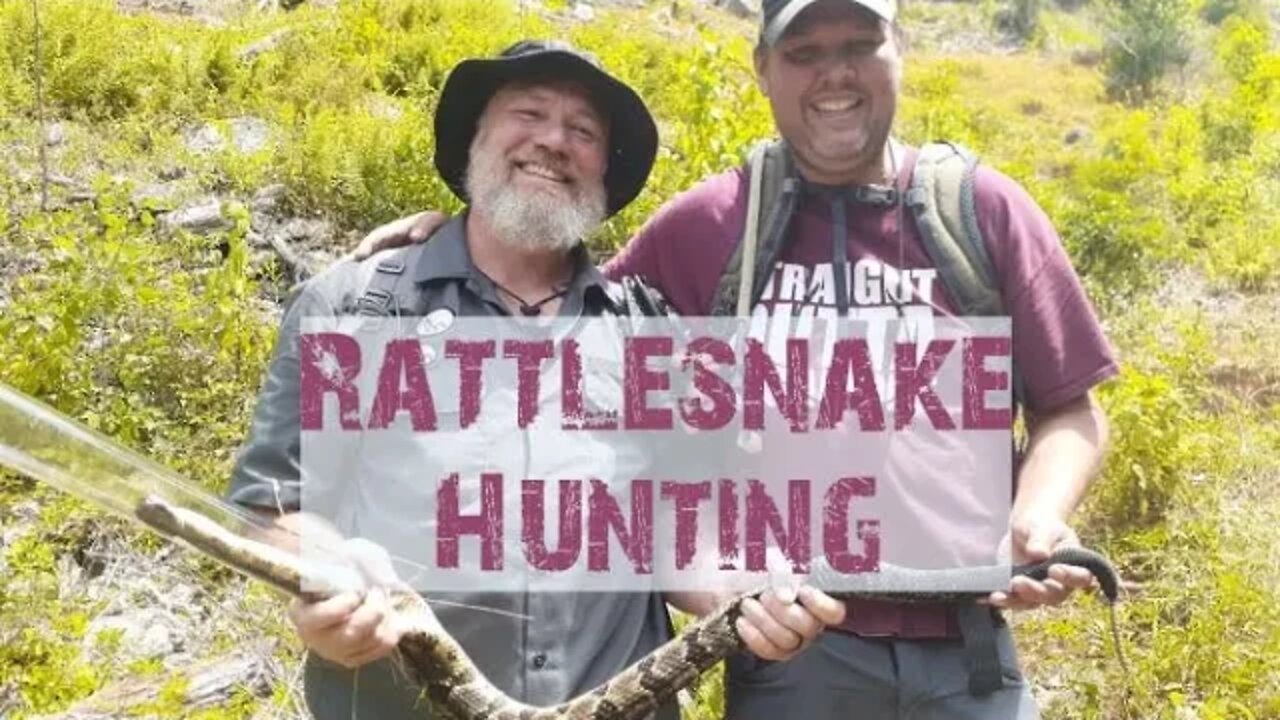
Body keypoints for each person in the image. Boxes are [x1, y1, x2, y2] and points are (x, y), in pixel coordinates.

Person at [355, 1, 1118, 718]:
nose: (835, 74)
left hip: (971, 658)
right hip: (789, 657)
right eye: (805, 53)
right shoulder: (710, 226)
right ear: (763, 69)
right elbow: (560, 311)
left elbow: (1069, 408)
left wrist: (1036, 517)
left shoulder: (984, 211)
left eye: (859, 47)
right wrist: (462, 238)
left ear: (900, 52)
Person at [226, 39, 841, 720]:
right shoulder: (356, 308)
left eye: (584, 131)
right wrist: (326, 578)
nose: (553, 141)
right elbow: (274, 505)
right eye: (528, 112)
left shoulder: (649, 332)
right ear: (475, 141)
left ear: (604, 173)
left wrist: (742, 591)